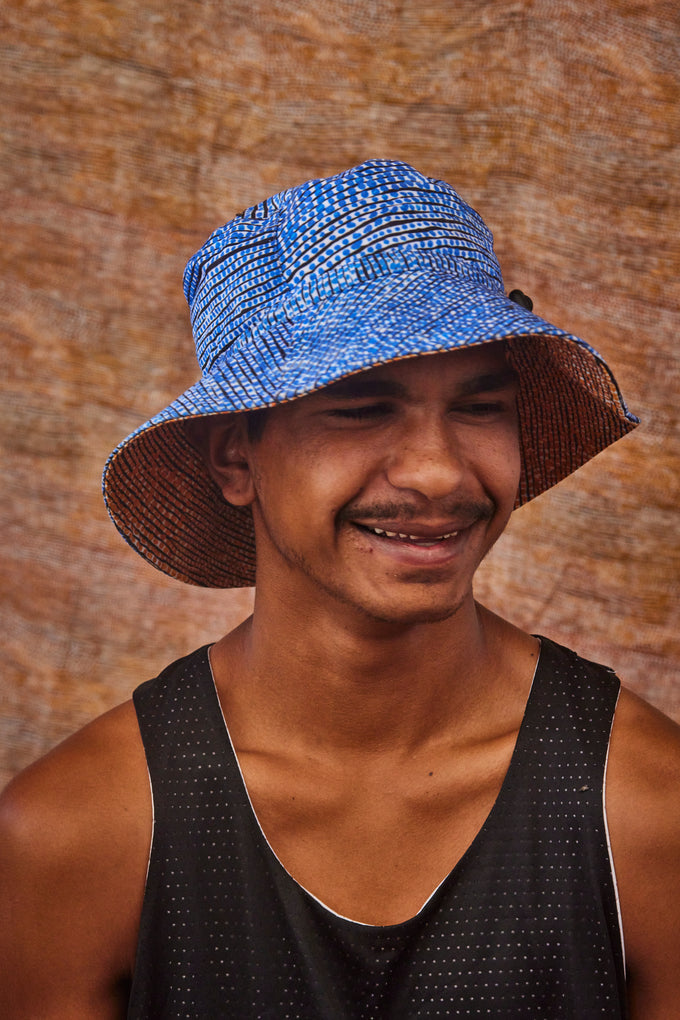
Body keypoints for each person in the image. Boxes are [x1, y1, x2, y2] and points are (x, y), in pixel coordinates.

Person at [0, 160, 678, 1019]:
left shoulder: (646, 809)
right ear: (236, 456)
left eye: (479, 406)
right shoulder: (78, 832)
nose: (437, 473)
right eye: (360, 408)